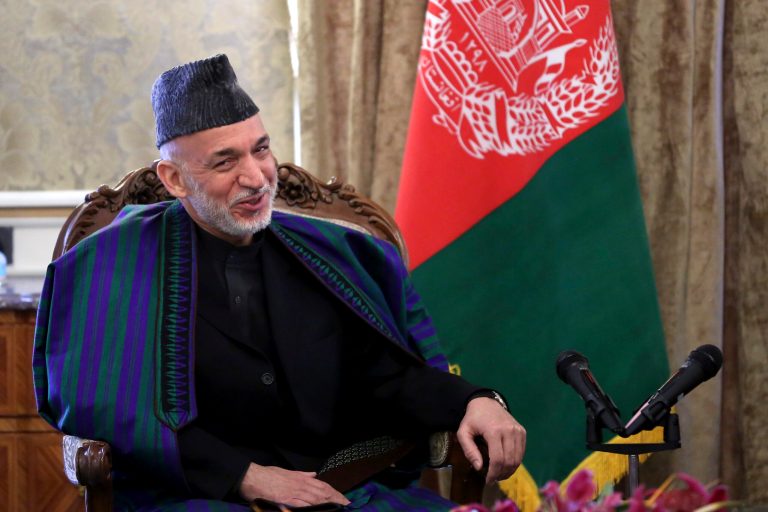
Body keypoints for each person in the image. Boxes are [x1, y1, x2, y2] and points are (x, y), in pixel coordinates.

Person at [33, 54, 525, 511]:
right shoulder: (108, 265)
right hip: (192, 495)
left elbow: (387, 377)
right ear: (175, 179)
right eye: (225, 161)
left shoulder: (334, 255)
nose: (256, 177)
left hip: (335, 490)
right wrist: (244, 476)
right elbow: (101, 407)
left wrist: (475, 399)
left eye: (261, 149)